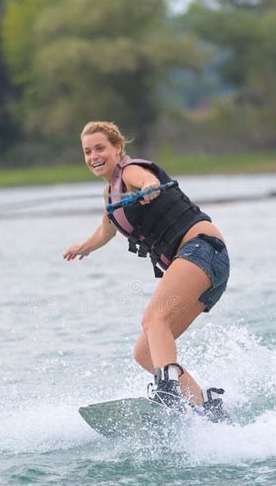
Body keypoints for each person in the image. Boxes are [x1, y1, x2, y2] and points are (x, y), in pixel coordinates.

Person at [63, 121, 230, 421]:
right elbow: (107, 231)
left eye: (100, 148)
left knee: (154, 319)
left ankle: (167, 392)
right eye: (87, 151)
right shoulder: (110, 194)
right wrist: (83, 247)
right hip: (205, 268)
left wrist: (150, 187)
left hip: (203, 249)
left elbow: (146, 178)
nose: (93, 156)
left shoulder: (130, 171)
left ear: (118, 149)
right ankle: (206, 410)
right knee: (145, 352)